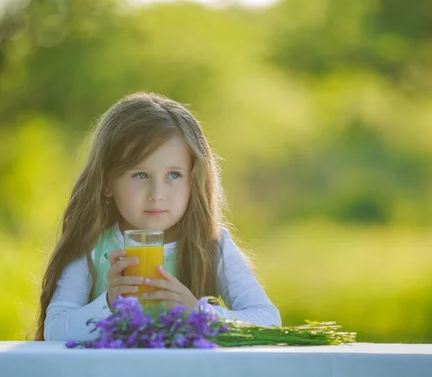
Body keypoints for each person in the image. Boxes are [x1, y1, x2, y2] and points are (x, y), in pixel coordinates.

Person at [36, 92, 281, 341]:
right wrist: (109, 304)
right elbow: (55, 330)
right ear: (107, 183)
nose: (157, 194)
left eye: (173, 175)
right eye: (140, 175)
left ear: (194, 181)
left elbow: (268, 321)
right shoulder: (93, 246)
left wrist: (197, 313)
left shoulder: (211, 245)